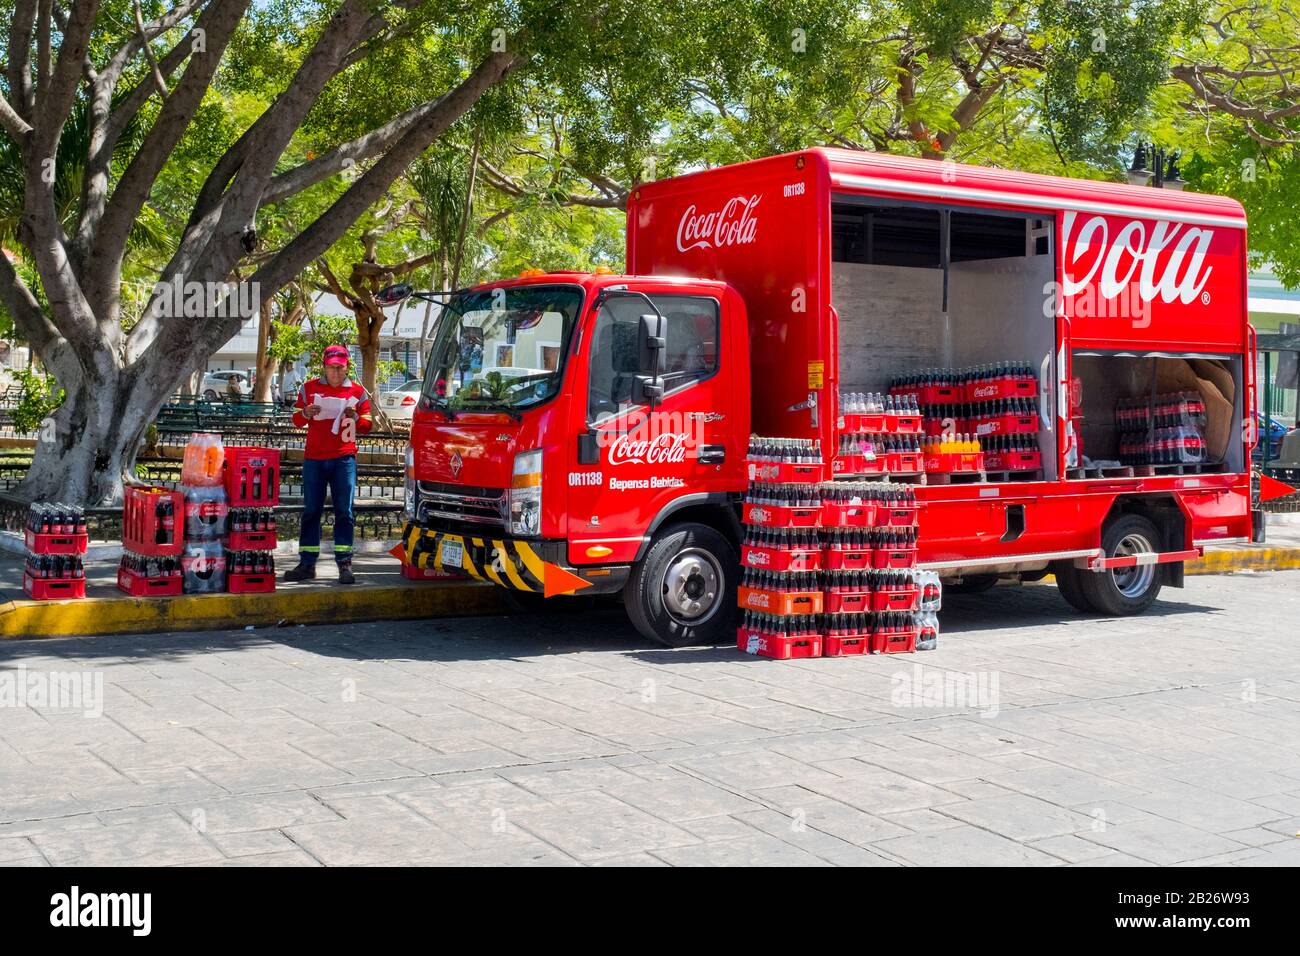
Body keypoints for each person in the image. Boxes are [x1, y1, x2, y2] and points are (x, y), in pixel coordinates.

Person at [283, 345, 372, 584]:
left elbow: (368, 423)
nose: (335, 372)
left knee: (345, 512)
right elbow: (296, 420)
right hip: (314, 459)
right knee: (312, 511)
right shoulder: (309, 388)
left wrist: (355, 417)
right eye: (332, 368)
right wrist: (306, 413)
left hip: (344, 459)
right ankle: (307, 563)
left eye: (340, 368)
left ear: (347, 367)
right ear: (324, 366)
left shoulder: (357, 391)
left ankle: (344, 564)